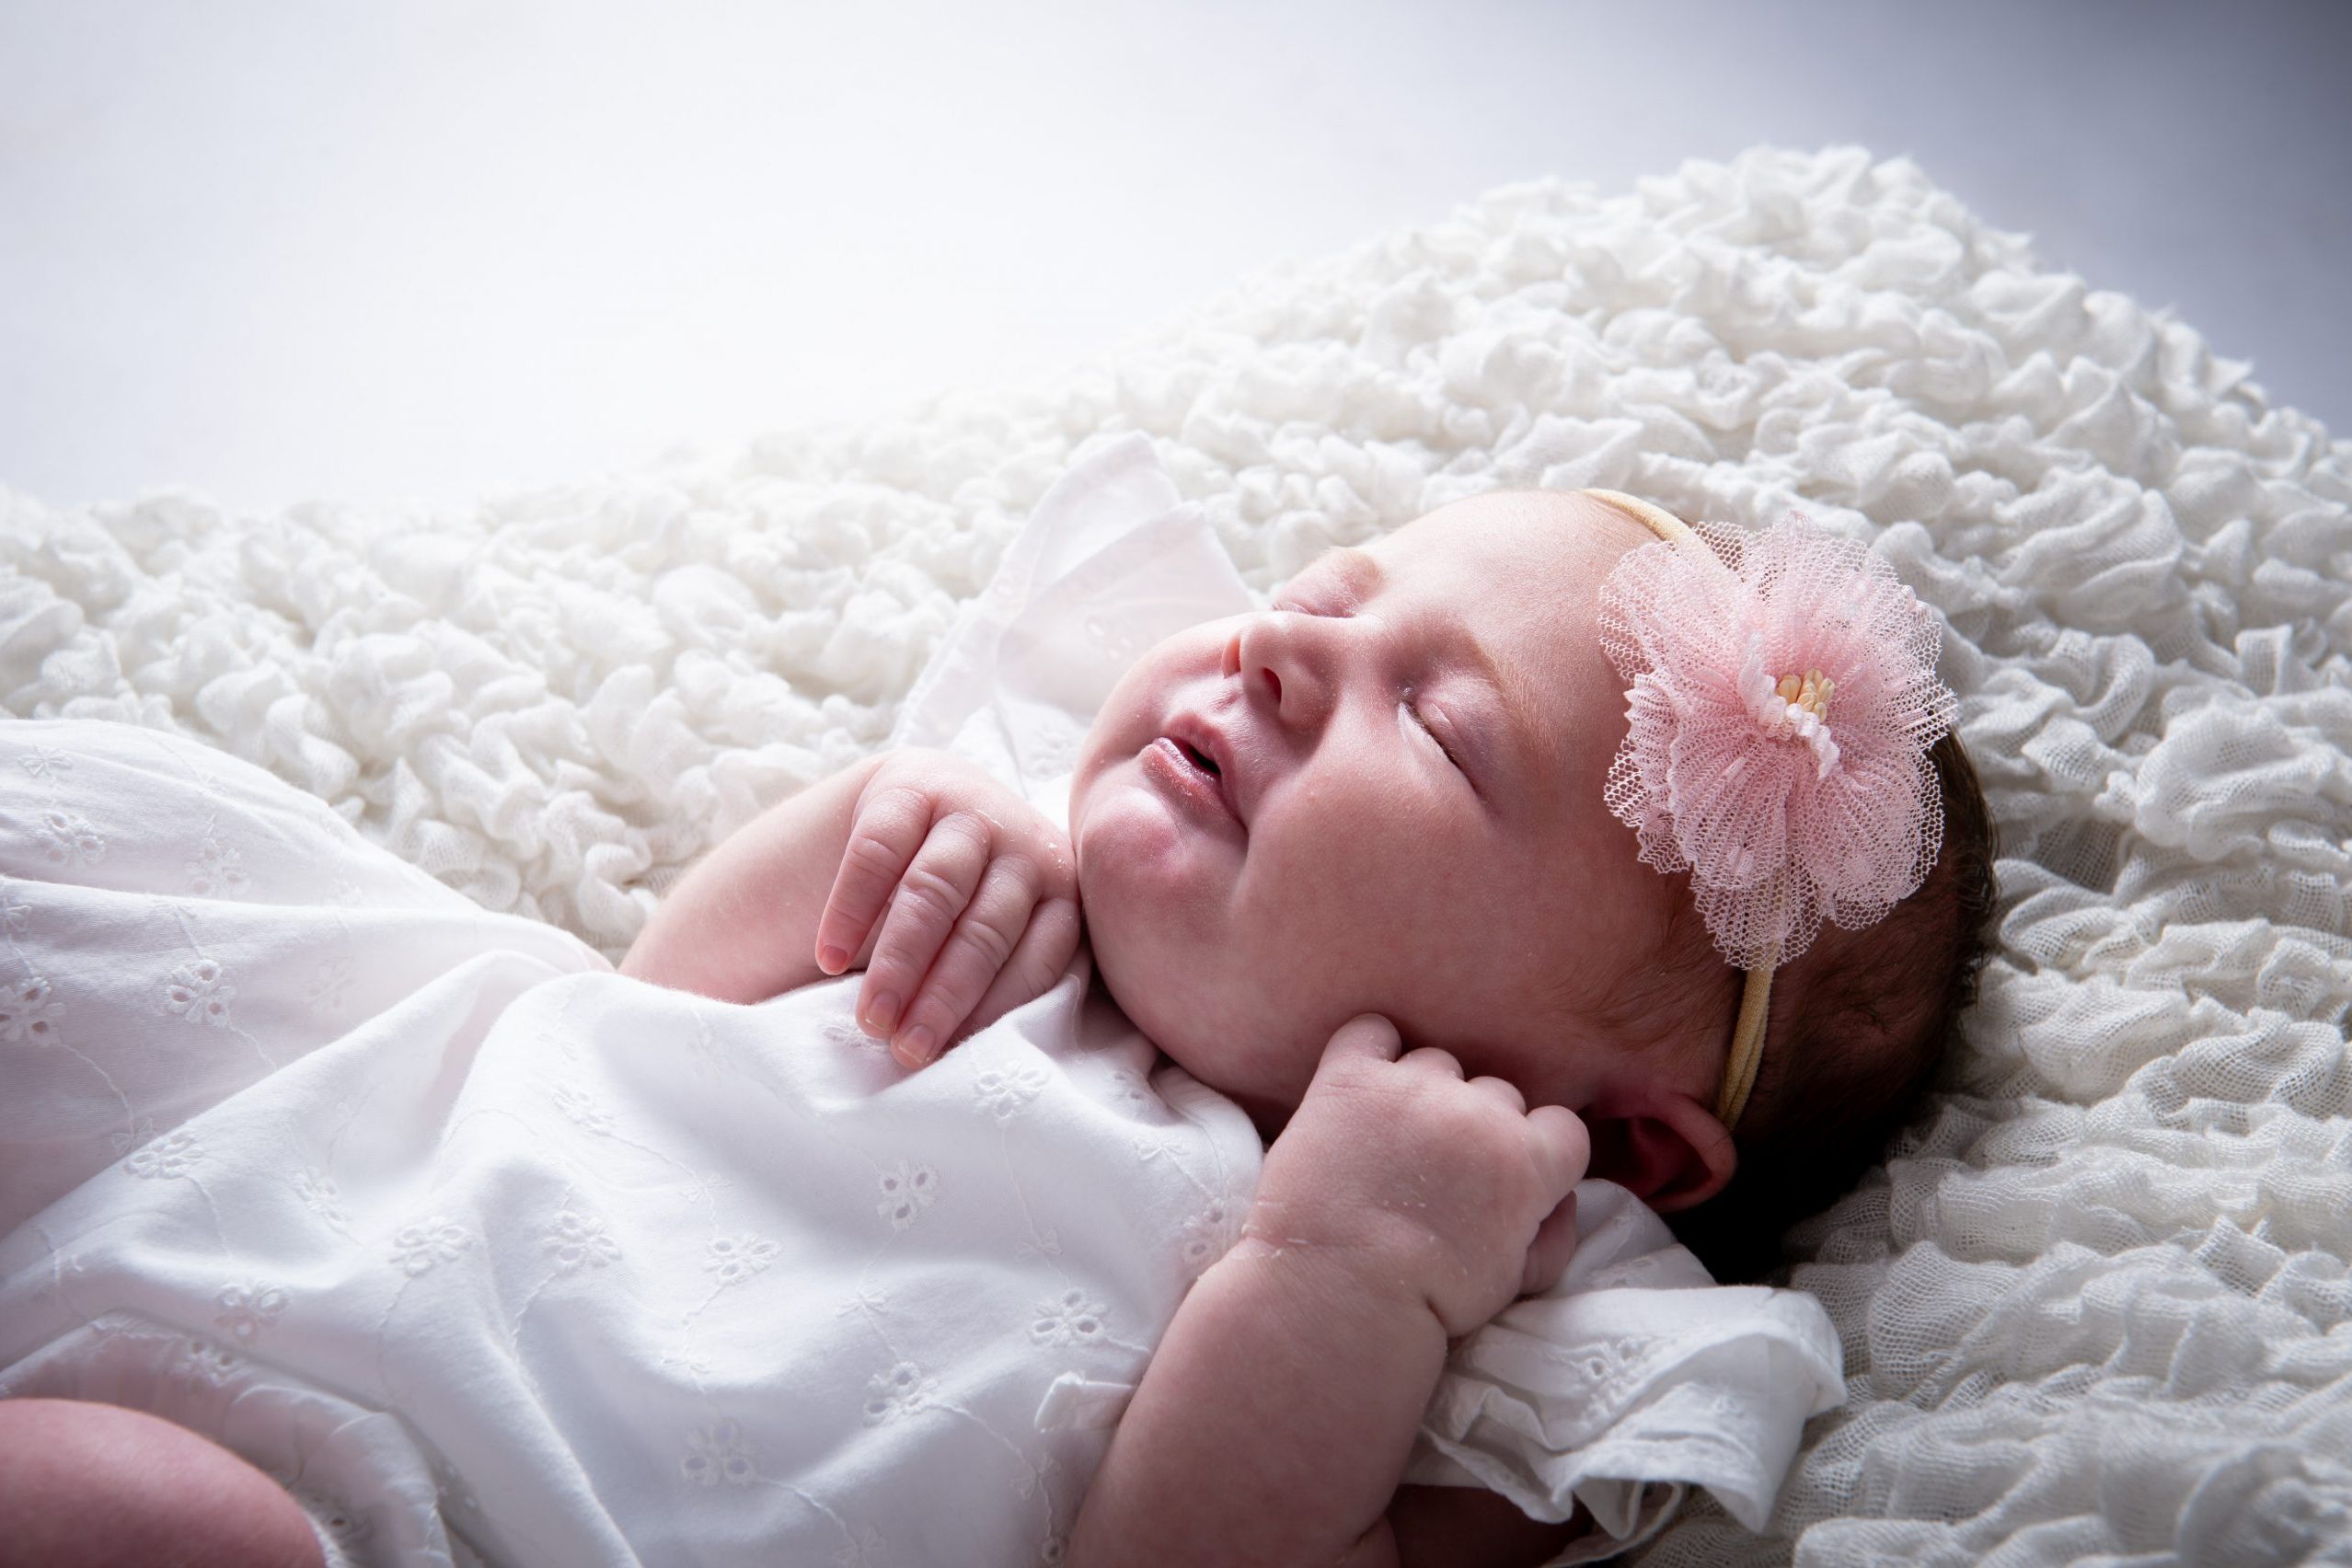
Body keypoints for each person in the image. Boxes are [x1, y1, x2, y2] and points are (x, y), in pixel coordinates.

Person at [0, 466, 1991, 1566]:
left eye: (1442, 728)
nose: (1288, 647)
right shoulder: (1017, 883)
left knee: (155, 1524)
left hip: (420, 1508)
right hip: (290, 1195)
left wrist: (1345, 1275)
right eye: (1330, 590)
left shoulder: (1498, 1306)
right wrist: (882, 831)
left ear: (1616, 1136)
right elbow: (636, 1016)